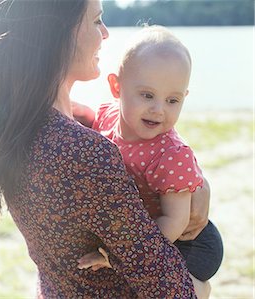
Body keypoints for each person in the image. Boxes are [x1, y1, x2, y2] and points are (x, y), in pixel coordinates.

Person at [0, 1, 210, 297]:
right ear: (57, 31)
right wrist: (200, 289)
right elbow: (171, 289)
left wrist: (195, 182)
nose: (105, 33)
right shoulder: (83, 151)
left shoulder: (24, 123)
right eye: (97, 21)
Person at [74, 25, 223, 297]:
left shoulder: (170, 154)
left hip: (190, 244)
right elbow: (85, 119)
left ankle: (199, 289)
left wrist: (121, 258)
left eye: (172, 100)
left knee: (159, 290)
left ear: (184, 98)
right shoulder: (107, 115)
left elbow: (176, 221)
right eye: (147, 95)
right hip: (153, 232)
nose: (159, 109)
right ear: (116, 87)